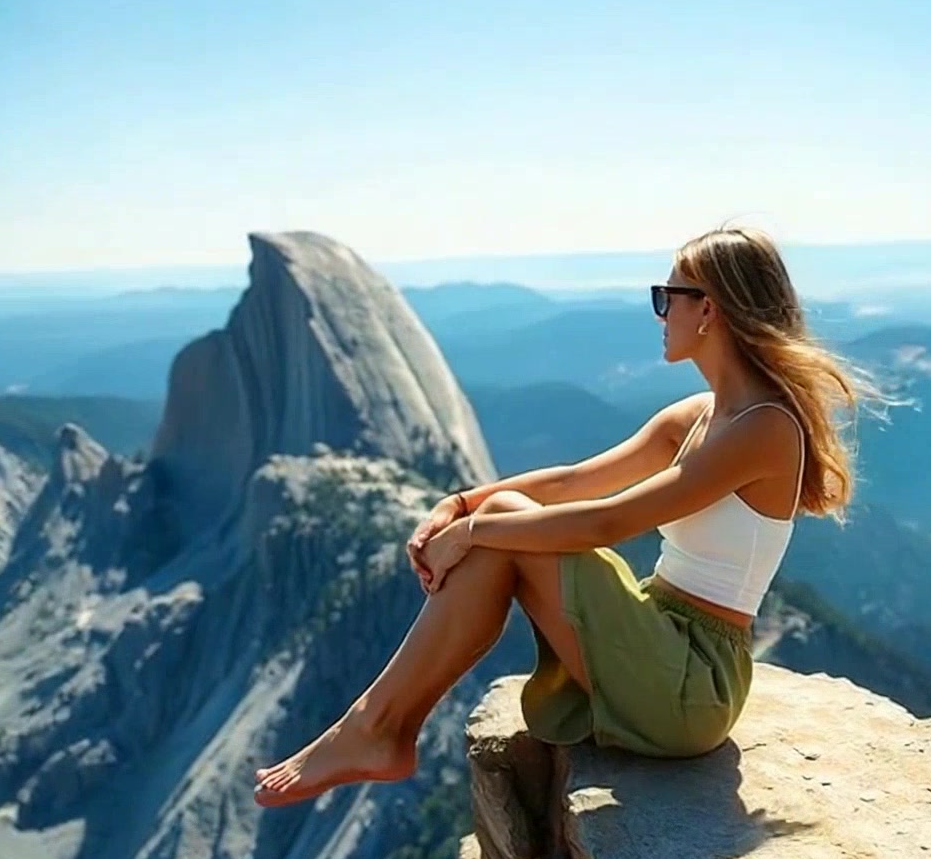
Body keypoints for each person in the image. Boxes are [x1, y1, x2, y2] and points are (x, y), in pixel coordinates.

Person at [253, 223, 883, 807]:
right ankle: (377, 728)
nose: (661, 313)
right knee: (504, 516)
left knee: (504, 525)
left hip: (694, 681)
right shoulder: (698, 416)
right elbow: (575, 482)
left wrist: (476, 528)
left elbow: (606, 522)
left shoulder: (764, 429)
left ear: (708, 309)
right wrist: (461, 504)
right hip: (661, 644)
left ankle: (376, 728)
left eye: (669, 296)